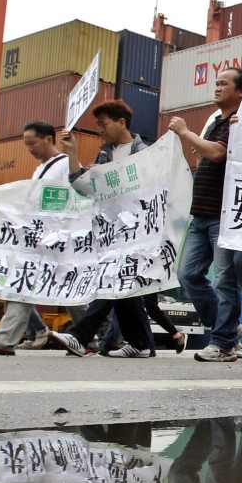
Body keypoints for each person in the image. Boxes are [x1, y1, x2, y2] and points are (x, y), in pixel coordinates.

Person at [49, 100, 160, 358]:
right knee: (123, 288)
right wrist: (72, 154)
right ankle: (142, 344)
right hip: (111, 231)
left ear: (121, 122)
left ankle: (81, 336)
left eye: (103, 124)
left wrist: (112, 175)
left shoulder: (144, 151)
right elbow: (81, 183)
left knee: (112, 281)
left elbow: (151, 188)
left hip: (137, 232)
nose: (100, 129)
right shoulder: (104, 152)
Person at [171, 67, 242, 362]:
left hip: (223, 213)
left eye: (223, 84)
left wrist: (185, 132)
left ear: (241, 91)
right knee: (188, 274)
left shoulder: (240, 120)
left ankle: (222, 342)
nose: (216, 88)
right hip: (201, 213)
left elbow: (218, 154)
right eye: (216, 84)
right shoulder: (215, 121)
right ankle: (228, 328)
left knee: (224, 280)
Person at [0, 123, 70, 356]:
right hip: (38, 239)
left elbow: (77, 189)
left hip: (57, 240)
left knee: (68, 288)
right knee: (20, 284)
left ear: (48, 139)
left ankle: (86, 334)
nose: (29, 149)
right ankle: (5, 340)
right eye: (26, 145)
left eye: (32, 143)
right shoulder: (39, 170)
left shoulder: (64, 163)